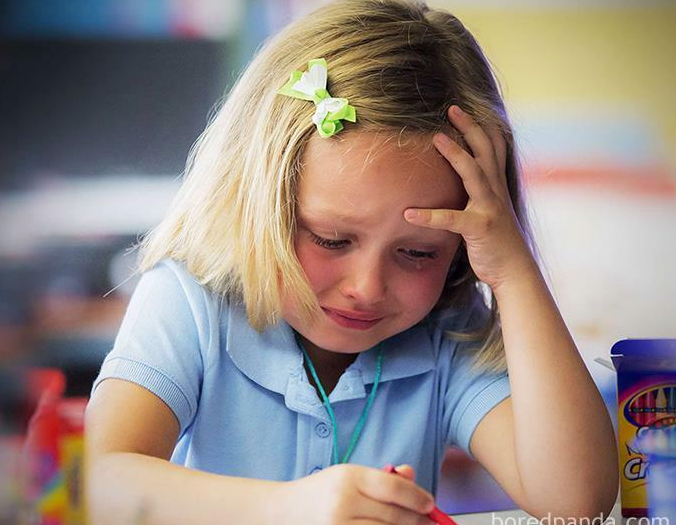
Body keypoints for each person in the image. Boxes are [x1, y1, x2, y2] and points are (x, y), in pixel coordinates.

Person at [84, 1, 618, 524]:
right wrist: (287, 508)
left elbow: (574, 502)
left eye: (417, 253)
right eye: (332, 239)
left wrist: (514, 272)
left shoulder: (446, 334)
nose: (367, 288)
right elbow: (104, 485)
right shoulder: (188, 300)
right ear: (255, 204)